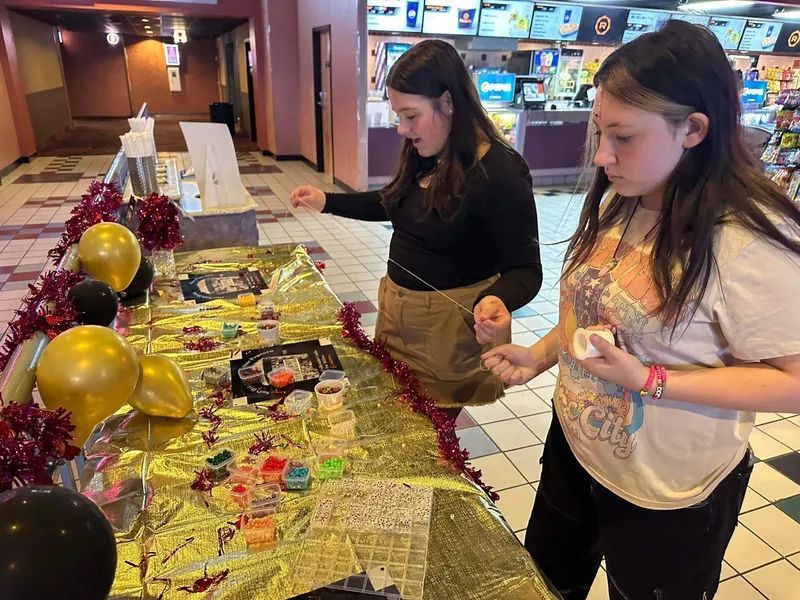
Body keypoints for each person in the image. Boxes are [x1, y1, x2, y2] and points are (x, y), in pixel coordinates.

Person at [483, 20, 800, 600]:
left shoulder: (749, 240)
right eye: (598, 130)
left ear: (693, 129)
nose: (602, 154)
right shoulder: (626, 200)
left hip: (667, 492)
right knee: (544, 584)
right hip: (576, 448)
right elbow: (597, 309)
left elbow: (793, 384)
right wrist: (537, 355)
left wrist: (650, 380)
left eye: (623, 136)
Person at [290, 40, 541, 418]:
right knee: (392, 421)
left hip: (448, 329)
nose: (401, 129)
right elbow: (394, 203)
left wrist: (496, 299)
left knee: (430, 438)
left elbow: (526, 270)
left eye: (411, 115)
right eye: (398, 116)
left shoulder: (501, 172)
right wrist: (328, 201)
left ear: (449, 102)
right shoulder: (427, 153)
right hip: (397, 314)